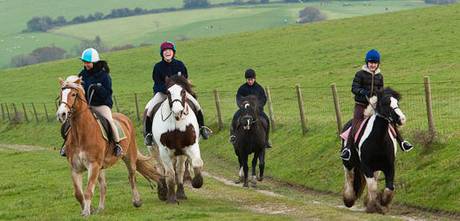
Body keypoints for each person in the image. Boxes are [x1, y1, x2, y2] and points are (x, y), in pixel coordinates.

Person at [340, 49, 413, 161]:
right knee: (356, 123)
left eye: (375, 63)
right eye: (370, 62)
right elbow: (354, 88)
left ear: (378, 63)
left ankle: (402, 142)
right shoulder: (359, 74)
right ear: (367, 62)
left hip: (375, 105)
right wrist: (361, 92)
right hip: (361, 105)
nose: (372, 65)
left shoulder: (380, 76)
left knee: (388, 120)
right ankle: (347, 149)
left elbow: (381, 91)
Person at [143, 41, 212, 146]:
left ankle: (202, 128)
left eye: (170, 51)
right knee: (150, 109)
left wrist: (180, 90)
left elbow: (185, 79)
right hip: (163, 93)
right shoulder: (158, 67)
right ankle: (149, 134)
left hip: (179, 93)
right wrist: (168, 90)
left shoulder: (180, 65)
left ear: (173, 52)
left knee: (197, 105)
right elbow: (157, 83)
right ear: (162, 53)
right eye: (165, 51)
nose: (167, 53)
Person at [60, 48, 123, 157]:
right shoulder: (82, 74)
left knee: (109, 120)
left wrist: (97, 88)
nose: (85, 64)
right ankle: (67, 144)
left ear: (94, 62)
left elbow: (108, 93)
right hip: (86, 105)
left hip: (101, 104)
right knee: (69, 122)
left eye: (88, 62)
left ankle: (117, 144)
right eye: (84, 62)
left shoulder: (104, 76)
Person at [230, 68, 271, 148]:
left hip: (257, 111)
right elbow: (238, 98)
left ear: (254, 79)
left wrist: (259, 106)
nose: (250, 81)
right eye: (248, 79)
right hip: (244, 111)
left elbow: (263, 98)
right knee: (235, 117)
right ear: (246, 79)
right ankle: (234, 136)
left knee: (266, 120)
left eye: (251, 79)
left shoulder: (259, 88)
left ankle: (266, 140)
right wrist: (242, 107)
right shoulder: (242, 88)